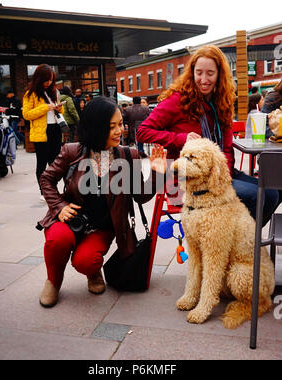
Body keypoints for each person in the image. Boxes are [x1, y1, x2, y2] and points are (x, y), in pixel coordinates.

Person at [36, 96, 167, 307]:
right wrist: (59, 207)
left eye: (120, 124)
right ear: (96, 127)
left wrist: (157, 174)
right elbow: (46, 179)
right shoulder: (72, 151)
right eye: (112, 126)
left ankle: (93, 272)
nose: (120, 130)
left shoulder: (127, 155)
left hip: (101, 228)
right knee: (56, 241)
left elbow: (140, 196)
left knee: (86, 260)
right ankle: (53, 281)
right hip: (70, 220)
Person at [137, 45, 279, 226]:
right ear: (192, 73)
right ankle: (234, 241)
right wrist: (181, 139)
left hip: (218, 174)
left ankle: (241, 240)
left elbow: (227, 148)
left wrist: (222, 177)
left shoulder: (223, 101)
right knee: (254, 196)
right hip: (185, 180)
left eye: (210, 73)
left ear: (219, 74)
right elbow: (142, 132)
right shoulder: (177, 100)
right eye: (199, 73)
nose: (204, 79)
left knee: (273, 192)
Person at [22, 63, 64, 202]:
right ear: (39, 78)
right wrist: (45, 107)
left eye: (52, 79)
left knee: (55, 163)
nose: (49, 82)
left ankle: (54, 189)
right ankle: (43, 191)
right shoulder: (30, 94)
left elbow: (59, 111)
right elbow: (26, 114)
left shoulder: (53, 91)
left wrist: (59, 108)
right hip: (41, 132)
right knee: (42, 163)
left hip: (55, 129)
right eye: (47, 80)